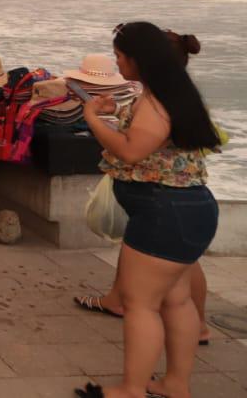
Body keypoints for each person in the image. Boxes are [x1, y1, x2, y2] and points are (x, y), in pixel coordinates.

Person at [74, 23, 220, 398]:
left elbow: (130, 151)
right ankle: (175, 384)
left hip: (163, 212)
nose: (117, 62)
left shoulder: (156, 104)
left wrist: (93, 118)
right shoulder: (175, 96)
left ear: (139, 60)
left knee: (140, 304)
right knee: (177, 299)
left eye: (120, 56)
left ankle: (131, 388)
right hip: (189, 208)